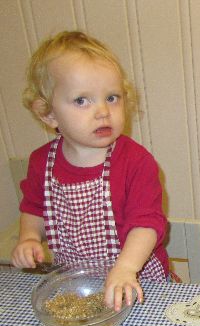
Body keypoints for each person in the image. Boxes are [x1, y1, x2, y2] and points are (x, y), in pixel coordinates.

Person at [12, 31, 168, 311]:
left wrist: (126, 268)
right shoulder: (41, 162)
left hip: (136, 282)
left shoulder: (136, 161)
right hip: (76, 286)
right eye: (82, 100)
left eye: (112, 97)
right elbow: (34, 209)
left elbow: (146, 223)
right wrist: (29, 238)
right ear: (48, 113)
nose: (103, 111)